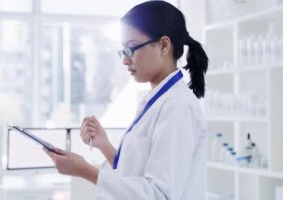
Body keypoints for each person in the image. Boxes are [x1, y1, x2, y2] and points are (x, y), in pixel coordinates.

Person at [44, 1, 208, 199]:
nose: (125, 60)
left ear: (164, 45)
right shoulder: (157, 100)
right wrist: (104, 145)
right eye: (123, 51)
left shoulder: (177, 106)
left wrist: (85, 170)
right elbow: (135, 174)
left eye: (131, 48)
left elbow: (159, 194)